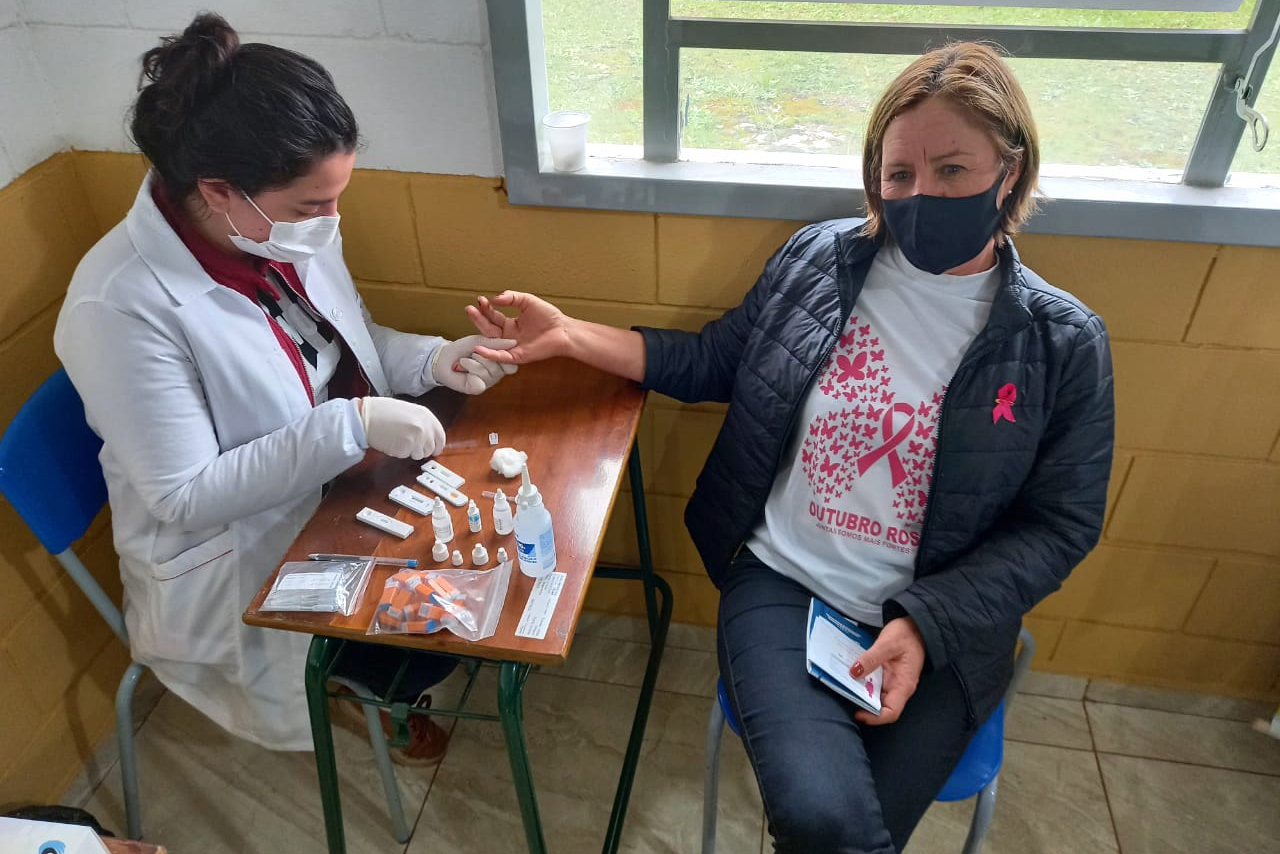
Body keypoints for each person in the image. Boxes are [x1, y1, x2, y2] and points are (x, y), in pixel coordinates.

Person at [466, 43, 1114, 853]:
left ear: (1010, 173)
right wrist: (569, 335)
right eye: (900, 174)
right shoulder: (819, 262)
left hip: (942, 619)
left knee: (840, 829)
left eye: (952, 171)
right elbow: (713, 362)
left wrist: (925, 624)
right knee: (824, 819)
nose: (921, 195)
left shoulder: (1062, 340)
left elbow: (1062, 524)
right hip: (785, 584)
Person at [52, 13, 513, 762]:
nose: (331, 223)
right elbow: (185, 494)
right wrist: (352, 424)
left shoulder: (270, 228)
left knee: (470, 573)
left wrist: (432, 361)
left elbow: (340, 343)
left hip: (331, 492)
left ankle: (397, 688)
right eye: (312, 206)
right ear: (220, 190)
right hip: (237, 556)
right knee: (425, 637)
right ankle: (387, 695)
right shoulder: (118, 308)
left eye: (336, 198)